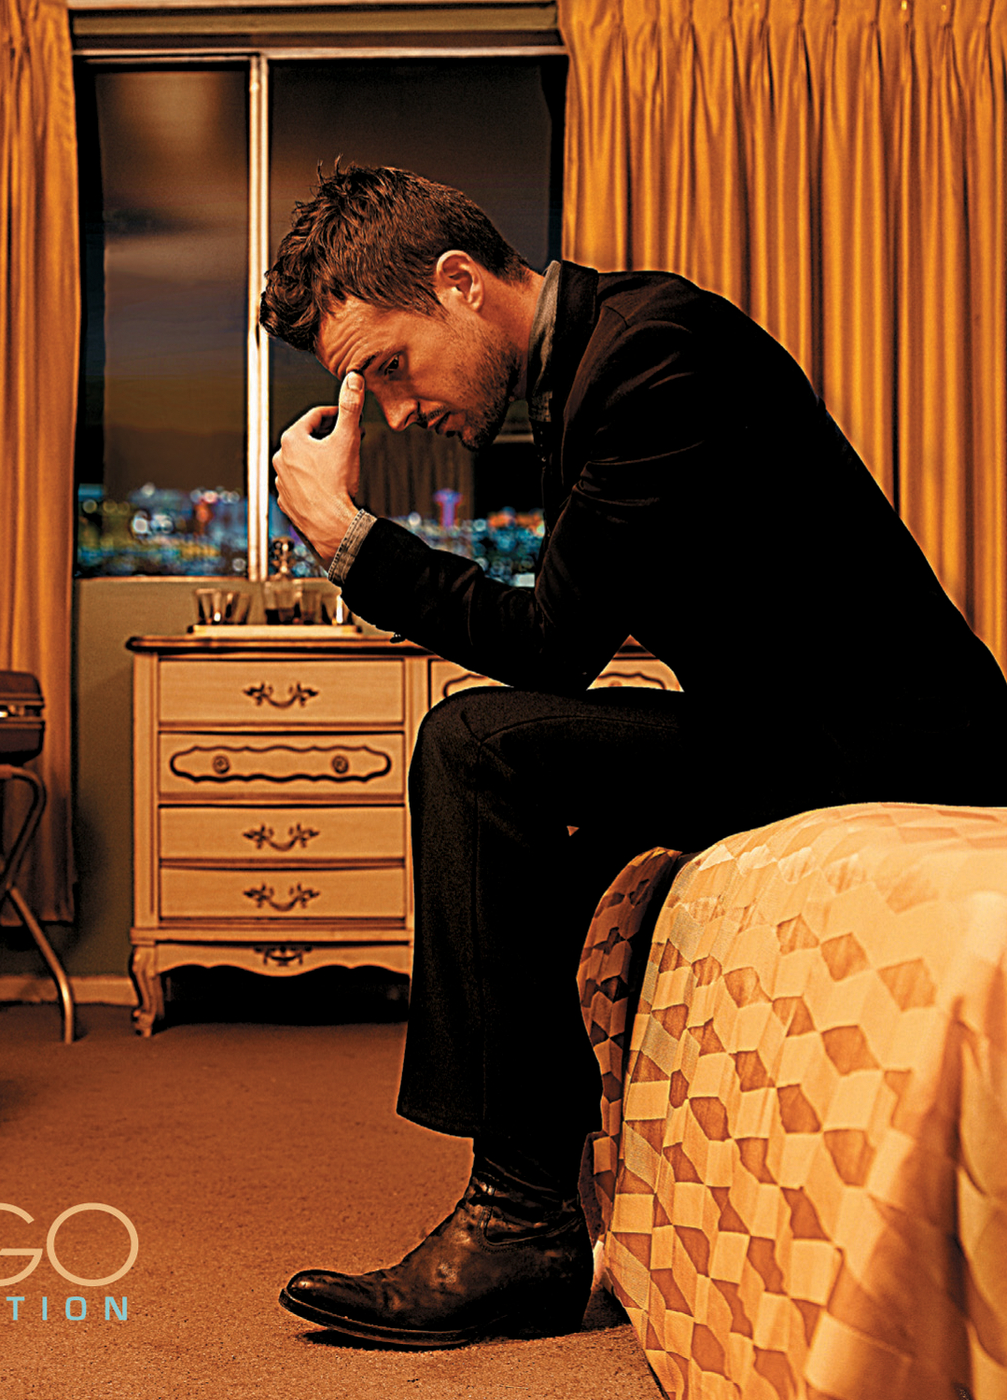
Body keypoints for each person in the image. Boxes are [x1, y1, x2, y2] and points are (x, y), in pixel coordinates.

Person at [257, 164, 1007, 1349]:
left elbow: (550, 644)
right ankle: (520, 1205)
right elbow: (578, 625)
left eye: (390, 365)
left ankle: (515, 1220)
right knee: (525, 813)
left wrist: (350, 539)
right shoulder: (595, 367)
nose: (395, 413)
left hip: (896, 744)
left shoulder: (654, 356)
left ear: (459, 282)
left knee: (474, 744)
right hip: (792, 724)